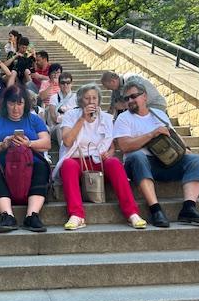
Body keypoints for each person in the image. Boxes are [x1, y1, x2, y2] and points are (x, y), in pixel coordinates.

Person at [113, 81, 199, 228]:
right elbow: (124, 146)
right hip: (140, 166)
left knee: (196, 159)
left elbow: (174, 135)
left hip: (166, 161)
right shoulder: (123, 118)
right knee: (137, 156)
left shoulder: (158, 114)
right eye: (126, 98)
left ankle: (189, 209)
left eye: (133, 96)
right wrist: (152, 134)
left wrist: (185, 149)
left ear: (144, 96)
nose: (130, 101)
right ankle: (156, 210)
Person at [56, 83, 146, 231]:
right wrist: (82, 119)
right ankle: (76, 215)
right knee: (68, 165)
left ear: (99, 100)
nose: (91, 101)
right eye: (87, 98)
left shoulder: (106, 118)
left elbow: (112, 143)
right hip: (77, 159)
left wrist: (111, 151)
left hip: (99, 160)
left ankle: (132, 213)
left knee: (115, 163)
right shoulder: (71, 115)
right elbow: (67, 141)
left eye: (94, 98)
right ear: (80, 100)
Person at [0, 85, 51, 233]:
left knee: (42, 167)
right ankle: (7, 215)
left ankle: (32, 215)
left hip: (31, 164)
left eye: (20, 103)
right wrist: (3, 144)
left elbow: (47, 143)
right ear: (5, 104)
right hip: (2, 166)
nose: (15, 108)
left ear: (25, 104)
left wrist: (29, 143)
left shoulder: (34, 119)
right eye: (12, 103)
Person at [101, 71, 168, 117]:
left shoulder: (131, 79)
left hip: (155, 105)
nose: (107, 89)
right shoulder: (115, 90)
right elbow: (112, 107)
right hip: (142, 109)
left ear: (113, 81)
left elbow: (138, 100)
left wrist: (124, 105)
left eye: (107, 87)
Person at [47, 72, 76, 145]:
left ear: (71, 84)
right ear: (59, 84)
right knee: (61, 127)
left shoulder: (77, 97)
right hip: (56, 127)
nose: (65, 85)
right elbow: (53, 117)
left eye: (68, 83)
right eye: (63, 83)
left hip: (73, 126)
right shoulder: (54, 98)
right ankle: (63, 150)